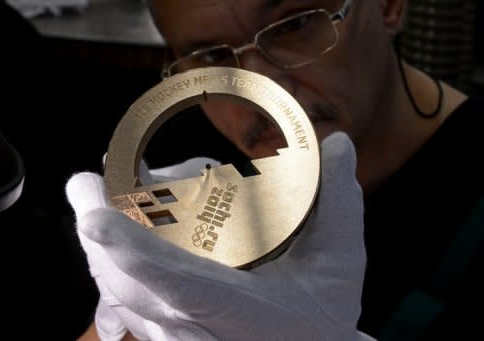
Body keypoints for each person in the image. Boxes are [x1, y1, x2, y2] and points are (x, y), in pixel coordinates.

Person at [67, 0, 484, 340]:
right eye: (212, 56)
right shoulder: (182, 154)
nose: (259, 88)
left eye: (294, 25)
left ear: (388, 5)